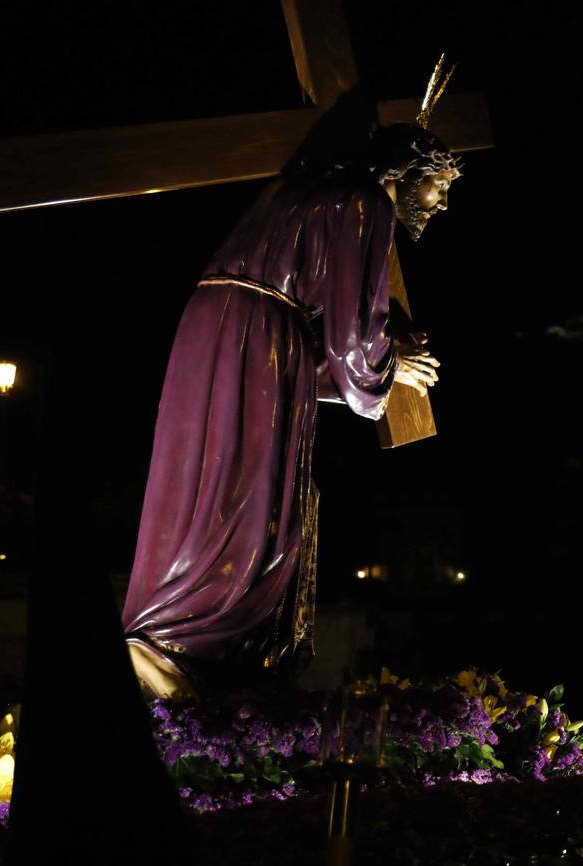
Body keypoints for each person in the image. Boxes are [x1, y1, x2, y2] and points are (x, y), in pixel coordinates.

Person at [120, 116, 460, 699]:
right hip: (257, 334)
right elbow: (353, 345)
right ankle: (175, 641)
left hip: (222, 330)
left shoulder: (310, 189)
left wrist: (368, 374)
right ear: (407, 171)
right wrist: (384, 369)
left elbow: (318, 359)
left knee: (203, 484)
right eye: (441, 185)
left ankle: (172, 640)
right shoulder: (362, 203)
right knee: (251, 504)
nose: (444, 203)